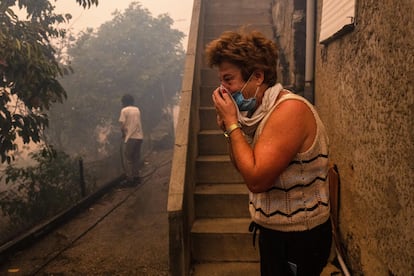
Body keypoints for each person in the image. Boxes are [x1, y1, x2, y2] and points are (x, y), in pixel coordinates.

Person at [206, 30, 332, 276]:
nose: (223, 90)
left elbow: (256, 179)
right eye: (221, 81)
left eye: (228, 80)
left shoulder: (289, 111)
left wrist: (233, 124)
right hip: (275, 232)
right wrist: (230, 130)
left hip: (299, 238)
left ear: (258, 77)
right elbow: (242, 166)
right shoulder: (258, 114)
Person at [119, 94, 144, 187]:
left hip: (131, 137)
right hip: (139, 137)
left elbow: (122, 125)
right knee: (136, 158)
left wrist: (123, 133)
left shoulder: (124, 110)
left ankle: (130, 180)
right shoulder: (137, 109)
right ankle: (137, 178)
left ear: (124, 102)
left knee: (128, 158)